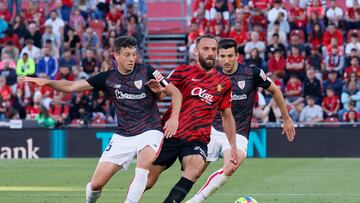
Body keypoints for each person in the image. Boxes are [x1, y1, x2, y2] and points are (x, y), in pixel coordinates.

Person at [21, 36, 182, 203]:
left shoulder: (147, 71)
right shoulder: (107, 78)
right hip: (124, 135)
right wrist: (47, 82)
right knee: (96, 185)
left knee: (143, 167)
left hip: (150, 129)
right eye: (127, 55)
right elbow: (72, 86)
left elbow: (175, 92)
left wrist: (174, 118)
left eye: (134, 54)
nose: (132, 59)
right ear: (116, 56)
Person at [186, 38, 295, 203]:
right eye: (222, 56)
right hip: (211, 130)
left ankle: (194, 201)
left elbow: (275, 90)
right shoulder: (210, 74)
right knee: (193, 173)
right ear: (217, 56)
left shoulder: (252, 73)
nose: (226, 60)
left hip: (238, 133)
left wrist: (286, 118)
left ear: (237, 55)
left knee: (231, 165)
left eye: (230, 56)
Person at [145, 34, 241, 203]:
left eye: (213, 49)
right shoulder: (183, 71)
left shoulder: (224, 82)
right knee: (147, 181)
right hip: (171, 134)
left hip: (197, 138)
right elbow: (162, 94)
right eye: (206, 49)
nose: (210, 53)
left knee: (195, 168)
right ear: (196, 52)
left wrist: (232, 146)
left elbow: (227, 115)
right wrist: (157, 91)